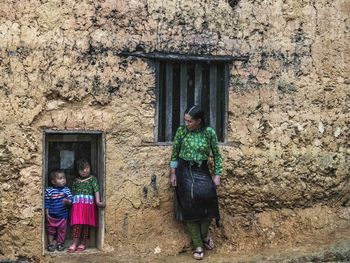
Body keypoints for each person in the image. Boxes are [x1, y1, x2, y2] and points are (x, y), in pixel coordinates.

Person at [169, 105, 223, 260]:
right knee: (188, 207)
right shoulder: (181, 131)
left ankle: (204, 235)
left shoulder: (209, 133)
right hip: (184, 171)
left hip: (202, 171)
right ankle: (198, 244)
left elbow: (217, 156)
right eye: (185, 120)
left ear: (199, 121)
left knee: (208, 201)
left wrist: (217, 174)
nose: (186, 124)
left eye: (190, 121)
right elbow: (174, 153)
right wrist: (173, 173)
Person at [68, 158, 105, 253]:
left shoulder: (93, 179)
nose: (84, 171)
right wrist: (69, 201)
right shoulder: (76, 181)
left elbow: (96, 190)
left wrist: (98, 202)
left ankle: (83, 243)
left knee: (86, 225)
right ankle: (74, 243)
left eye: (86, 168)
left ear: (90, 167)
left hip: (88, 205)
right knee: (77, 224)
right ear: (77, 171)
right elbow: (72, 193)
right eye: (81, 169)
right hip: (77, 205)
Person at [45, 169, 73, 252]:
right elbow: (47, 202)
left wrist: (68, 201)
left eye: (64, 178)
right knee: (50, 230)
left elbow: (71, 199)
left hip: (62, 216)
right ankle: (50, 244)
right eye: (60, 178)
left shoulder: (66, 190)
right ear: (53, 182)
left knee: (62, 231)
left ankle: (60, 244)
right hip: (52, 215)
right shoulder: (49, 191)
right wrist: (47, 213)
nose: (63, 180)